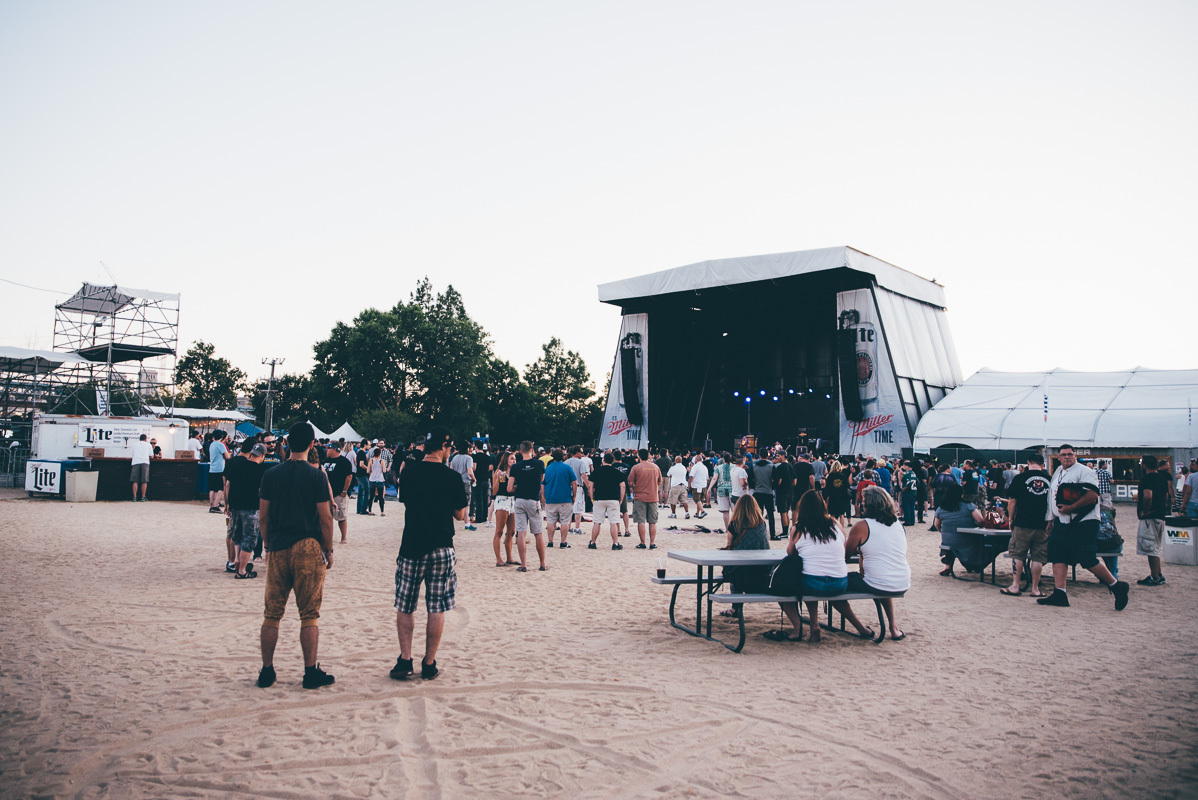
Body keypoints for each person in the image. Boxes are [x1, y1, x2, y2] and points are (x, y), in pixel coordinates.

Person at [256, 422, 335, 690]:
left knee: (272, 613)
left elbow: (263, 517)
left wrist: (268, 546)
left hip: (278, 544)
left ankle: (267, 670)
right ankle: (310, 671)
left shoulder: (271, 474)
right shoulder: (316, 476)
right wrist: (328, 549)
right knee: (309, 614)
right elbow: (325, 518)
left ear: (286, 443)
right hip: (308, 545)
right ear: (313, 444)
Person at [389, 425, 466, 682]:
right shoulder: (452, 477)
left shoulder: (409, 473)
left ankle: (405, 660)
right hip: (442, 546)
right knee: (437, 607)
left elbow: (405, 501)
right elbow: (460, 514)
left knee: (405, 605)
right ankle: (429, 663)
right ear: (445, 447)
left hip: (412, 544)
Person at [768, 490, 874, 642]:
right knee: (830, 591)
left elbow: (790, 552)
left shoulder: (798, 528)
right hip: (839, 582)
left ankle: (805, 627)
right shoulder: (835, 524)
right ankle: (861, 628)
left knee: (788, 586)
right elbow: (843, 549)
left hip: (811, 582)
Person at [1037, 444, 1130, 610]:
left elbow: (1093, 495)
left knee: (1087, 558)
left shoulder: (1084, 471)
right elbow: (1052, 497)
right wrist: (1050, 519)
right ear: (1058, 457)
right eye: (1064, 455)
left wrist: (1071, 509)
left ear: (1075, 455)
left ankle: (1116, 585)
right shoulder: (1058, 472)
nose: (1067, 457)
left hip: (1083, 521)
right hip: (1062, 520)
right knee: (1057, 554)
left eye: (1070, 454)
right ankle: (1060, 593)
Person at [843, 486, 910, 639]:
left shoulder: (861, 526)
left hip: (877, 582)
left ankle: (861, 629)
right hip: (901, 580)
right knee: (882, 581)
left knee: (832, 586)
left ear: (868, 505)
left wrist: (859, 550)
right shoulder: (898, 525)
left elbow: (845, 556)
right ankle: (894, 628)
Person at [1001, 452, 1052, 597]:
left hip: (1023, 521)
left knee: (1018, 554)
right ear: (1043, 464)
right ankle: (1035, 589)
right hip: (1042, 523)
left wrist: (1011, 519)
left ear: (1028, 463)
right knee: (1038, 557)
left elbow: (1012, 501)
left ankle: (1015, 585)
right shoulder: (1049, 479)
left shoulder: (1020, 478)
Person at [717, 495, 771, 622]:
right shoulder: (761, 524)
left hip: (742, 576)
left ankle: (735, 608)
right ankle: (735, 608)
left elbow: (730, 546)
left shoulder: (734, 524)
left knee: (733, 569)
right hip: (762, 573)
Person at [225, 441, 268, 579]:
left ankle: (237, 559)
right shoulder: (261, 471)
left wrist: (228, 503)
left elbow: (228, 484)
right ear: (263, 455)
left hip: (236, 505)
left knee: (237, 535)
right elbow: (262, 491)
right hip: (251, 507)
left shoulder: (238, 465)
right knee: (249, 538)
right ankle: (242, 570)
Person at [508, 440, 548, 571]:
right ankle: (542, 564)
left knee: (521, 532)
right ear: (533, 450)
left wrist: (518, 486)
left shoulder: (516, 467)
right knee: (538, 533)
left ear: (520, 451)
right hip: (533, 500)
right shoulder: (539, 464)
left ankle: (523, 565)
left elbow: (509, 488)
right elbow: (542, 479)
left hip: (519, 500)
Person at [1135, 454, 1170, 586]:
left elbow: (1148, 495)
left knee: (1150, 547)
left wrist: (1145, 510)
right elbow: (1166, 496)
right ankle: (1159, 574)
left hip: (1150, 517)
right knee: (1155, 545)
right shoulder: (1162, 478)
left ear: (1145, 465)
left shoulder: (1147, 478)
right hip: (1160, 515)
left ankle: (1154, 576)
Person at [588, 452, 626, 550]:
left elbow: (590, 486)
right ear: (612, 461)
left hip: (599, 498)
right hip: (613, 498)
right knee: (613, 522)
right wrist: (621, 499)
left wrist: (592, 498)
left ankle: (593, 542)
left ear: (603, 460)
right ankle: (615, 543)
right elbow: (622, 486)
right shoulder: (617, 472)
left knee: (597, 522)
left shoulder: (596, 471)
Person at [542, 449, 577, 548]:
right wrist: (574, 495)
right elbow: (574, 482)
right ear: (563, 456)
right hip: (565, 498)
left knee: (551, 520)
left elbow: (542, 484)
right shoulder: (567, 468)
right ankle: (563, 541)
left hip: (551, 497)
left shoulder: (547, 469)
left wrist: (543, 496)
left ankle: (550, 541)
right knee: (565, 521)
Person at [628, 449, 662, 549]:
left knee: (641, 521)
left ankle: (642, 542)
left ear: (639, 456)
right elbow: (660, 481)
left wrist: (634, 486)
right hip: (653, 497)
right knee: (652, 521)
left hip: (640, 496)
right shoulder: (655, 467)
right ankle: (652, 543)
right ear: (648, 456)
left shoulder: (636, 467)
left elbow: (630, 481)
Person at [491, 451, 517, 566]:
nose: (514, 461)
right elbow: (495, 491)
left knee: (511, 531)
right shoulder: (499, 472)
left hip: (512, 501)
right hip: (502, 500)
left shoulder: (514, 473)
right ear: (506, 460)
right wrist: (497, 479)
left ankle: (509, 557)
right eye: (512, 458)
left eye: (515, 459)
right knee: (500, 531)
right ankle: (498, 559)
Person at [324, 443, 354, 544]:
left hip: (338, 493)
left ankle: (344, 537)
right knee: (327, 517)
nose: (327, 450)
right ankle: (328, 537)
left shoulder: (344, 462)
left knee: (341, 516)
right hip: (327, 493)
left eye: (329, 448)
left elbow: (349, 476)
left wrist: (344, 490)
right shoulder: (326, 461)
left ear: (336, 449)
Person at [749, 453, 777, 539]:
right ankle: (772, 534)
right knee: (770, 515)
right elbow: (776, 479)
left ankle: (759, 533)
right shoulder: (772, 467)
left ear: (759, 456)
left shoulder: (754, 467)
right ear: (767, 456)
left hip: (758, 491)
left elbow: (750, 479)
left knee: (758, 514)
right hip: (768, 492)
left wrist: (754, 486)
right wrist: (772, 487)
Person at [823, 460, 851, 530]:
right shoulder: (843, 476)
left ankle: (832, 527)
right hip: (842, 496)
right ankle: (841, 529)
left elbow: (828, 488)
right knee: (841, 514)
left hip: (833, 496)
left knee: (832, 514)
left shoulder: (830, 476)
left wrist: (825, 497)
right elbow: (847, 485)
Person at [207, 430, 230, 513]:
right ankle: (215, 506)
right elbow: (227, 456)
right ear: (222, 436)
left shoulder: (212, 444)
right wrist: (230, 454)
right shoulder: (221, 445)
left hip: (212, 468)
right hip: (220, 468)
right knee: (220, 488)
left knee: (212, 488)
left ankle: (211, 504)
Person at [471, 440, 492, 527]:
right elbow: (490, 467)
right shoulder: (487, 457)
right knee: (484, 499)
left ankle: (479, 518)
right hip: (486, 479)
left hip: (478, 479)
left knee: (478, 499)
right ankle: (484, 517)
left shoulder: (475, 456)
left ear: (475, 446)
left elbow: (474, 467)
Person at [130, 433, 152, 501]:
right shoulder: (148, 445)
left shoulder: (134, 444)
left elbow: (132, 454)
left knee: (135, 481)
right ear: (146, 439)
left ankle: (134, 497)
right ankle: (143, 497)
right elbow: (151, 455)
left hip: (136, 462)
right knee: (144, 481)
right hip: (145, 462)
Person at [368, 447, 387, 517]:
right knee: (381, 496)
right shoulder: (382, 460)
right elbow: (384, 470)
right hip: (380, 479)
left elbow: (367, 470)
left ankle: (370, 510)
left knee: (371, 496)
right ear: (380, 454)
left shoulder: (371, 460)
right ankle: (382, 511)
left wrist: (371, 471)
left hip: (372, 479)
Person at [899, 461, 919, 526]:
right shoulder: (914, 473)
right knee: (912, 507)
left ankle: (907, 521)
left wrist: (904, 489)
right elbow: (917, 482)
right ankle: (912, 520)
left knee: (906, 506)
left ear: (907, 466)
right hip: (913, 491)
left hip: (907, 492)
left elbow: (908, 482)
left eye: (904, 466)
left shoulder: (907, 474)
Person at [355, 442, 372, 515]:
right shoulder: (362, 452)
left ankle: (359, 509)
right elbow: (361, 464)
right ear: (365, 445)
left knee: (361, 492)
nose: (369, 446)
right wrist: (368, 469)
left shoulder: (359, 452)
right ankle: (363, 509)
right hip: (362, 474)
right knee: (366, 492)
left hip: (359, 474)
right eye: (368, 445)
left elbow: (357, 463)